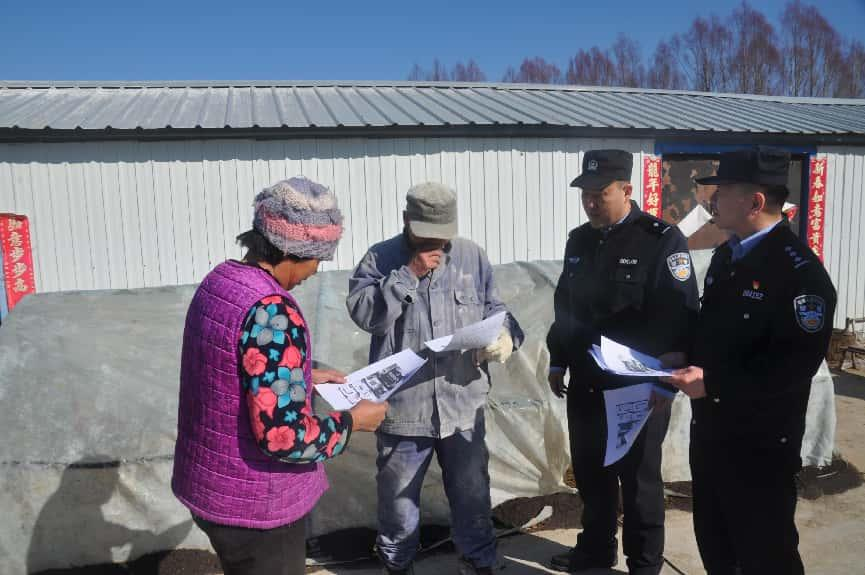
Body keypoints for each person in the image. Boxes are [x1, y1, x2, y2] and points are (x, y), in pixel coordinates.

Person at [171, 177, 388, 575]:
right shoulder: (272, 310)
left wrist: (299, 374)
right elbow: (283, 437)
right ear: (290, 250)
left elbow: (231, 364)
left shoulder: (221, 282)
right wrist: (353, 422)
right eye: (315, 259)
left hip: (210, 486)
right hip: (256, 506)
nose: (314, 271)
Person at [661, 147, 836, 575]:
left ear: (755, 202)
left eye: (722, 191)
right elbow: (714, 331)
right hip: (712, 435)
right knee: (716, 544)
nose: (713, 200)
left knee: (765, 554)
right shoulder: (727, 256)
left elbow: (792, 366)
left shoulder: (800, 274)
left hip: (760, 448)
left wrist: (714, 383)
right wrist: (682, 355)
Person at [346, 182, 524, 575]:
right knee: (398, 504)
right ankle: (397, 566)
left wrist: (505, 335)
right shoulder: (380, 258)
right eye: (425, 235)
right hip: (403, 408)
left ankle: (478, 563)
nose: (435, 245)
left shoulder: (472, 256)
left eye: (442, 236)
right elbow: (364, 315)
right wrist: (408, 274)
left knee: (473, 497)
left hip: (462, 404)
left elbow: (495, 307)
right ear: (406, 220)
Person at [546, 150, 699, 575]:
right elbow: (566, 306)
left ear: (627, 189)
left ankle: (644, 564)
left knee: (639, 483)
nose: (591, 203)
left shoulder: (660, 239)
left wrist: (666, 381)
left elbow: (681, 313)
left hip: (638, 389)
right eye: (586, 195)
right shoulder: (579, 240)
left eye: (601, 194)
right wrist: (558, 360)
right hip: (588, 382)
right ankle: (595, 550)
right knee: (591, 475)